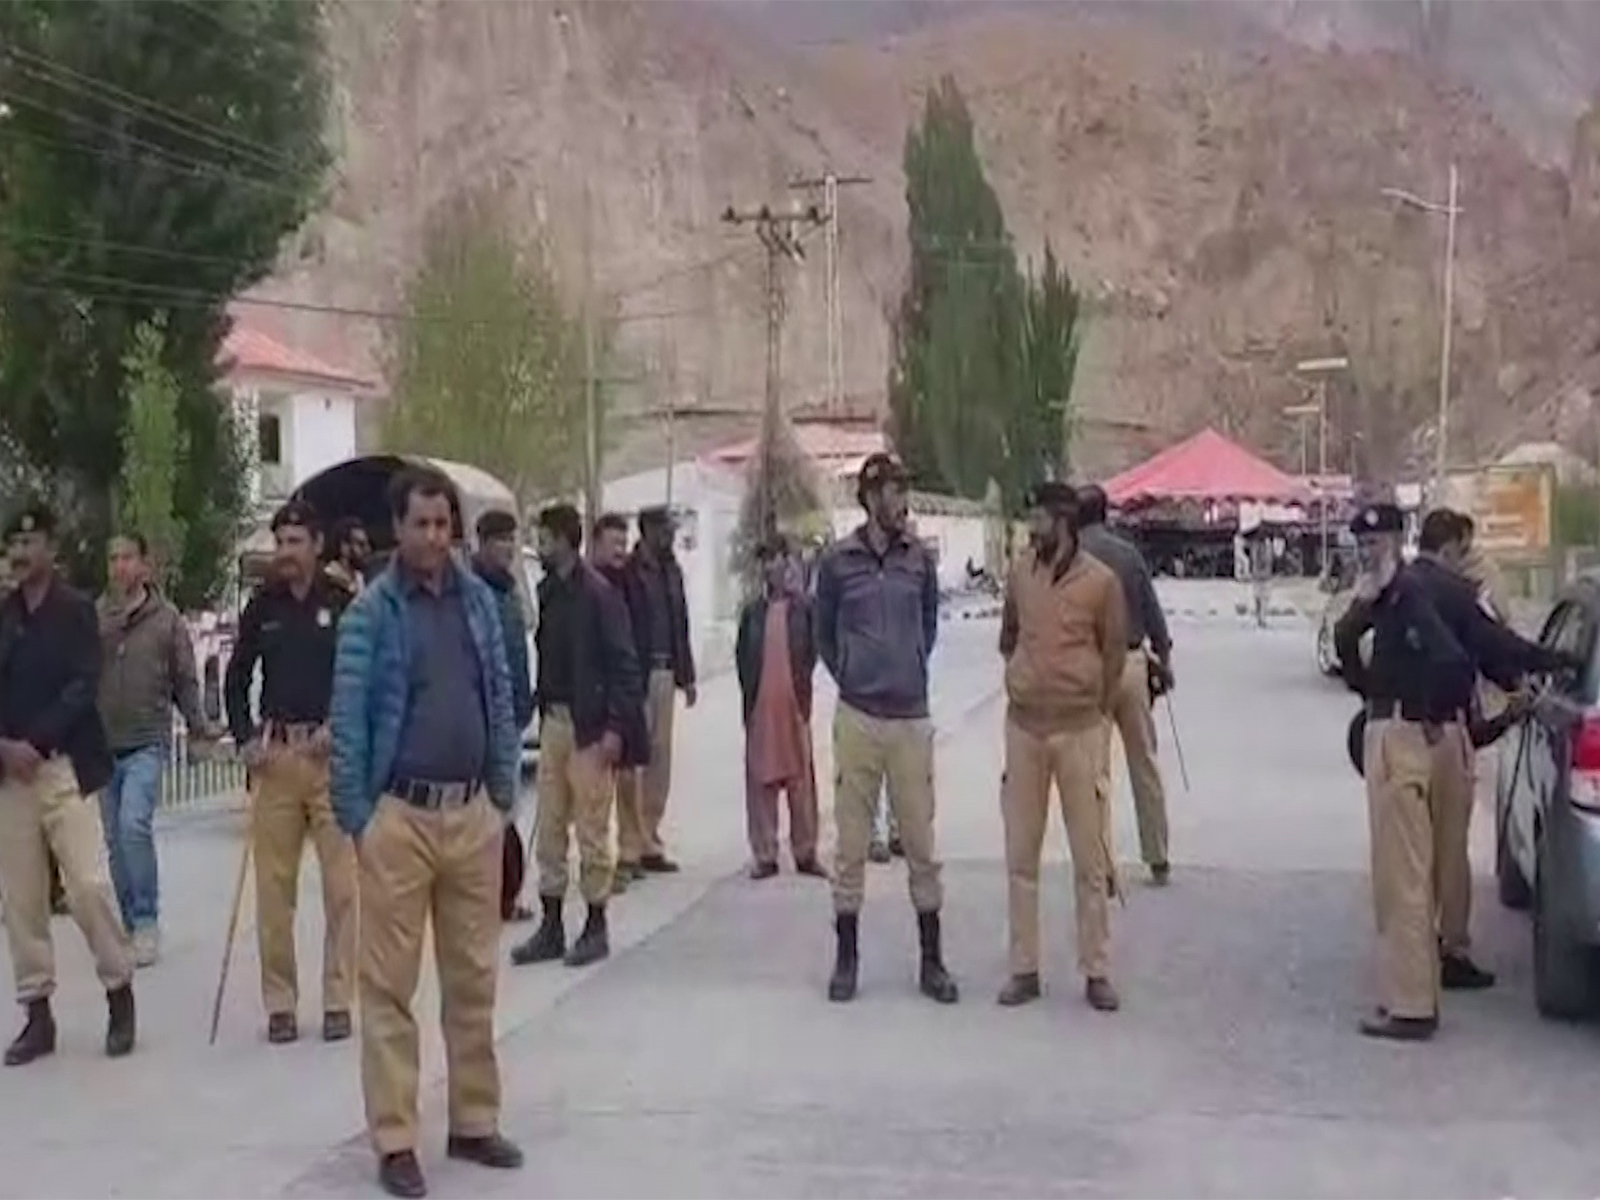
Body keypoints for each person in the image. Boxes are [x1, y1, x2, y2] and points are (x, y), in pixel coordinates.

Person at [329, 465, 524, 1198]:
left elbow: (500, 694)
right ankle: (395, 1139)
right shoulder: (370, 616)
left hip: (471, 812)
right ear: (397, 530)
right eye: (421, 524)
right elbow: (348, 723)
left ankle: (474, 1121)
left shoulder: (479, 602)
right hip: (398, 820)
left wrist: (500, 795)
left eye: (445, 524)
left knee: (473, 977)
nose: (435, 537)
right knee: (387, 986)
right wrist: (361, 818)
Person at [1408, 508, 1575, 990]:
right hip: (1447, 736)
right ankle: (1451, 950)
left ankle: (1411, 948)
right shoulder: (1457, 594)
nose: (1469, 562)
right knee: (1450, 852)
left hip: (1396, 734)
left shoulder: (1398, 587)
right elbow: (1497, 645)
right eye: (1466, 552)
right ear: (1452, 548)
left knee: (1411, 854)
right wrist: (1557, 660)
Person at [814, 452, 957, 1005]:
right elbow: (825, 632)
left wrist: (908, 664)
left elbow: (929, 623)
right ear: (871, 499)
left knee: (920, 841)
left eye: (904, 490)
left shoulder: (918, 560)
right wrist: (851, 670)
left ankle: (932, 961)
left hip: (910, 719)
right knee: (851, 844)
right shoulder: (837, 563)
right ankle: (846, 960)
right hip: (858, 717)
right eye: (894, 492)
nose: (902, 502)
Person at [1334, 502, 1477, 1041]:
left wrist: (1430, 709)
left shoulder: (1411, 593)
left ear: (1399, 542)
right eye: (1362, 545)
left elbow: (1456, 661)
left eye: (1377, 544)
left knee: (1404, 878)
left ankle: (1412, 1005)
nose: (1368, 553)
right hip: (1399, 729)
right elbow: (1347, 649)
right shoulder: (1381, 595)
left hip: (1406, 735)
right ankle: (1416, 992)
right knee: (1410, 874)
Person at [0, 503, 136, 1065]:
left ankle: (119, 991)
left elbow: (84, 684)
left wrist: (38, 739)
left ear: (51, 550)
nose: (21, 552)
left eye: (31, 541)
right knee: (22, 900)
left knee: (87, 885)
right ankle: (37, 1012)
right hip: (9, 773)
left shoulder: (75, 611)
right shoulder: (3, 614)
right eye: (13, 543)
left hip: (60, 766)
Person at [224, 500, 358, 1046]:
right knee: (274, 891)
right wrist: (246, 738)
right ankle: (280, 1003)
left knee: (343, 887)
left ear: (317, 546)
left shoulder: (342, 603)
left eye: (295, 542)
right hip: (278, 760)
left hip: (330, 759)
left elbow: (360, 675)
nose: (285, 553)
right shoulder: (263, 607)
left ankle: (337, 999)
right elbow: (236, 679)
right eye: (280, 542)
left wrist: (340, 725)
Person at [998, 484, 1127, 1011]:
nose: (1031, 526)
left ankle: (1096, 969)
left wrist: (1094, 708)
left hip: (1079, 730)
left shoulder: (1102, 583)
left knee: (1088, 857)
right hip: (1024, 729)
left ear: (1064, 520)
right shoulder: (1020, 574)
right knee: (1020, 856)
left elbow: (1114, 652)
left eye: (1039, 517)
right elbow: (1009, 637)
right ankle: (1023, 968)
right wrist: (1023, 677)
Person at [511, 504, 642, 971]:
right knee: (548, 825)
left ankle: (595, 923)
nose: (539, 547)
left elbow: (626, 666)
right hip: (554, 721)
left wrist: (615, 730)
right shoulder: (549, 592)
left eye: (545, 539)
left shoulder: (600, 595)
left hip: (591, 727)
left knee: (590, 828)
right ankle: (550, 924)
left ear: (566, 540)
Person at [96, 532, 215, 966]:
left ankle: (146, 920)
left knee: (133, 827)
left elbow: (186, 680)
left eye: (127, 557)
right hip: (104, 744)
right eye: (113, 559)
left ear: (145, 565)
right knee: (113, 840)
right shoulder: (97, 619)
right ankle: (129, 922)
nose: (120, 567)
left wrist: (199, 726)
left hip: (147, 741)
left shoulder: (167, 621)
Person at [1077, 484, 1174, 886]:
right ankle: (1158, 855)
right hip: (1133, 663)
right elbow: (1154, 615)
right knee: (1144, 762)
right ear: (1107, 514)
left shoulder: (1071, 558)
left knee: (1093, 770)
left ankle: (1102, 864)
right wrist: (1163, 662)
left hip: (1089, 669)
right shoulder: (1129, 555)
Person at [734, 534, 823, 879]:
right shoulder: (752, 613)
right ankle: (765, 853)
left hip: (794, 705)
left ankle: (805, 851)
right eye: (766, 560)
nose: (772, 567)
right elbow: (743, 660)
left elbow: (813, 651)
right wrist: (749, 703)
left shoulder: (804, 609)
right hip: (761, 706)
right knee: (760, 782)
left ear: (789, 563)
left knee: (801, 780)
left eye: (777, 558)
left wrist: (802, 693)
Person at [469, 509, 536, 922]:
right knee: (493, 811)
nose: (508, 549)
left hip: (512, 715)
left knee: (506, 809)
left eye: (511, 540)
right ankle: (493, 898)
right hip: (486, 719)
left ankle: (504, 897)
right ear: (482, 543)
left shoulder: (508, 591)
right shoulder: (474, 594)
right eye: (500, 541)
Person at [626, 505, 697, 873]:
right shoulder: (629, 573)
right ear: (647, 530)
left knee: (660, 759)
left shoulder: (672, 571)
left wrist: (688, 676)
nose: (670, 536)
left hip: (666, 672)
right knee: (637, 758)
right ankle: (633, 841)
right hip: (638, 675)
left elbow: (680, 624)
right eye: (664, 529)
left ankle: (651, 835)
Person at [591, 512, 651, 894]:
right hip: (597, 694)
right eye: (612, 543)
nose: (619, 551)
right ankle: (604, 858)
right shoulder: (587, 586)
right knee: (600, 783)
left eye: (622, 544)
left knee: (630, 777)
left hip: (629, 690)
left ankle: (631, 854)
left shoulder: (632, 584)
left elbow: (643, 633)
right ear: (594, 543)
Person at [325, 517, 371, 600]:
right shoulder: (327, 581)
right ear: (344, 547)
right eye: (361, 544)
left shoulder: (360, 579)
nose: (368, 549)